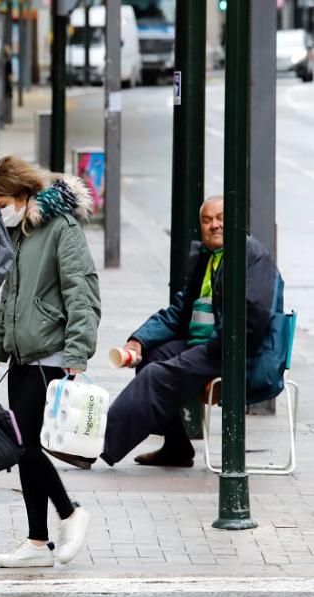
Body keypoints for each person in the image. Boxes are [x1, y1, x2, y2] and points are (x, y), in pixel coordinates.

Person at [0, 156, 100, 568]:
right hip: (23, 357)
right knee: (21, 448)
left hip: (51, 356)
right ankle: (37, 541)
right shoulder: (22, 233)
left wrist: (78, 352)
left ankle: (69, 512)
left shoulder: (60, 228)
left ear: (21, 193)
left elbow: (82, 291)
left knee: (25, 446)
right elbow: (10, 301)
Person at [101, 196, 283, 467]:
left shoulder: (252, 257)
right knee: (153, 356)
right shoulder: (207, 258)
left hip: (235, 354)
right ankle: (176, 448)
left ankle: (98, 445)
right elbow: (178, 313)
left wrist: (207, 349)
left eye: (221, 218)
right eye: (207, 220)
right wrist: (138, 340)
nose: (214, 225)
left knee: (156, 375)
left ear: (235, 222)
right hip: (207, 348)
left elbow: (250, 323)